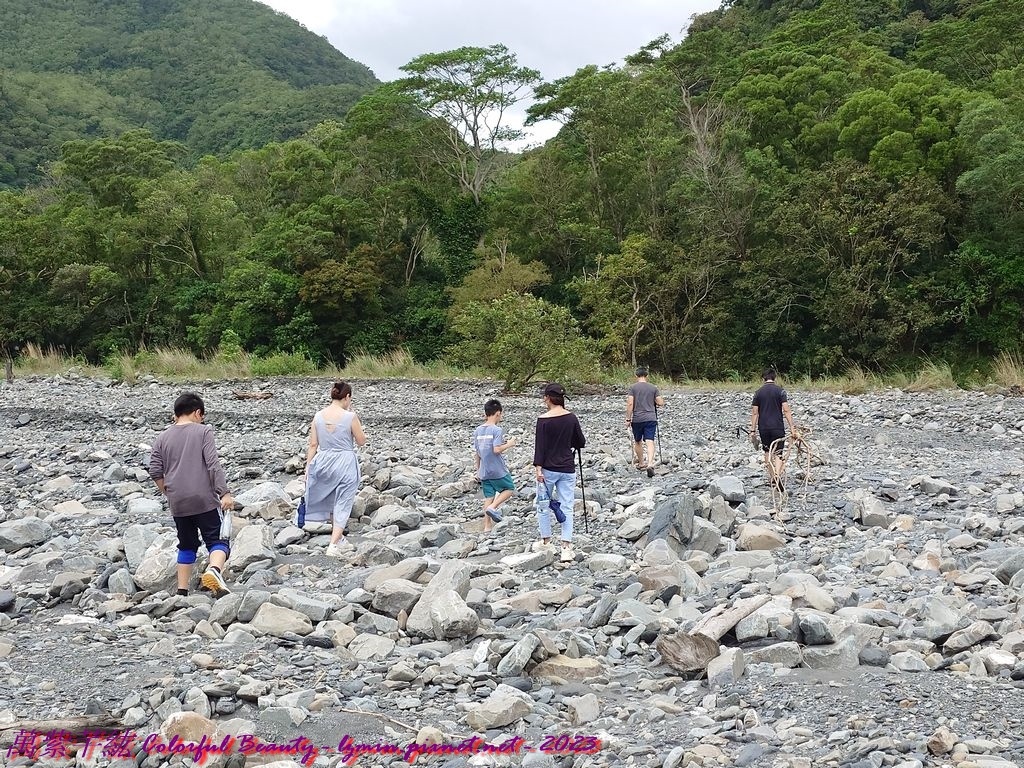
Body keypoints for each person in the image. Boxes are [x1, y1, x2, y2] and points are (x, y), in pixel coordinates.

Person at [148, 392, 234, 597]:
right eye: (202, 416)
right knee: (218, 540)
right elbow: (213, 465)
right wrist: (225, 493)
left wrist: (167, 491)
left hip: (178, 502)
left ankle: (182, 591)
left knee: (186, 544)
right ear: (197, 413)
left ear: (176, 413)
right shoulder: (203, 432)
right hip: (203, 499)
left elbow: (154, 470)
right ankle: (214, 571)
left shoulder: (163, 437)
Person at [305, 381, 366, 558]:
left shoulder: (318, 416)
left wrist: (308, 467)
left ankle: (338, 539)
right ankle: (333, 545)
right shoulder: (350, 416)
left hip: (323, 459)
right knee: (343, 502)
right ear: (347, 397)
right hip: (344, 461)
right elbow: (361, 441)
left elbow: (313, 444)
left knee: (331, 499)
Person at [533, 382, 586, 563]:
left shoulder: (543, 420)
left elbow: (539, 448)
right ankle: (566, 546)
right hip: (567, 467)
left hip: (548, 469)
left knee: (542, 504)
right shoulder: (571, 418)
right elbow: (580, 442)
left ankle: (546, 541)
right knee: (567, 506)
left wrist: (538, 469)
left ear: (548, 398)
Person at [473, 399, 517, 533]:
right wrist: (510, 443)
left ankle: (487, 526)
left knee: (489, 496)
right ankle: (493, 508)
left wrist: (478, 469)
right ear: (498, 413)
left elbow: (477, 453)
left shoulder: (478, 430)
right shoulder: (496, 430)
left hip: (484, 470)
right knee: (509, 488)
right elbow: (496, 449)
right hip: (497, 469)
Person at [750, 368, 798, 490]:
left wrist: (753, 430)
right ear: (774, 378)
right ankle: (777, 474)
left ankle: (772, 478)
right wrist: (792, 427)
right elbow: (786, 410)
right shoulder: (780, 391)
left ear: (763, 378)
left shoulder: (758, 393)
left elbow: (755, 413)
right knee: (778, 452)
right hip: (777, 426)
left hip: (764, 427)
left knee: (767, 451)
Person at [626, 366, 665, 478]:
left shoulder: (633, 388)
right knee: (650, 440)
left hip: (637, 419)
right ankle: (650, 463)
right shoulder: (653, 388)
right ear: (647, 376)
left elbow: (630, 404)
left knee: (638, 441)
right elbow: (660, 402)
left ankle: (642, 463)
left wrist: (628, 419)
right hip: (650, 417)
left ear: (636, 375)